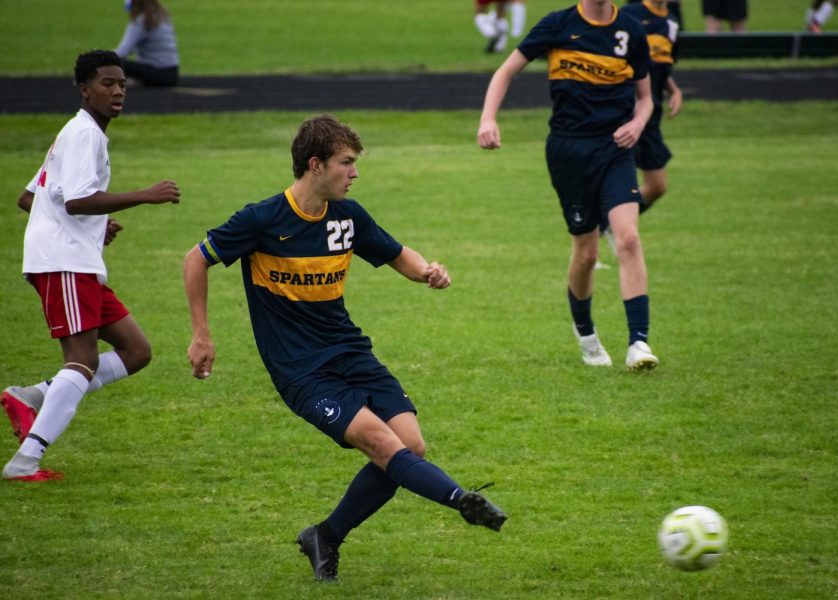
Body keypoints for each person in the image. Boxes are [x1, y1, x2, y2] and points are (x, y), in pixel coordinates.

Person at [183, 114, 507, 581]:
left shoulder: (347, 217)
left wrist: (427, 272)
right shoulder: (262, 220)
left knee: (410, 445)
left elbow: (396, 253)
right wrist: (201, 334)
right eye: (346, 163)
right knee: (382, 443)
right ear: (316, 165)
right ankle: (462, 500)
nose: (354, 173)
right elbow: (196, 258)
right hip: (301, 371)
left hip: (351, 353)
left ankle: (325, 536)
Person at [1, 50, 181, 482]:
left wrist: (93, 229)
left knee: (136, 351)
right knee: (81, 361)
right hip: (64, 262)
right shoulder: (85, 135)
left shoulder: (77, 133)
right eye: (106, 83)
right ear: (85, 90)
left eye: (121, 83)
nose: (118, 91)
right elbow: (77, 200)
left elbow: (33, 198)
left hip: (75, 258)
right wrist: (145, 194)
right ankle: (25, 460)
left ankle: (32, 396)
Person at [477, 0, 660, 371]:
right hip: (569, 151)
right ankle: (587, 335)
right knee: (587, 252)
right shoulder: (558, 25)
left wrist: (638, 125)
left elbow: (645, 99)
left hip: (616, 148)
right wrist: (488, 119)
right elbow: (505, 71)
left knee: (628, 238)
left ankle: (638, 343)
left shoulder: (631, 30)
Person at [621, 0, 683, 212]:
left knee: (657, 185)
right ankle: (609, 224)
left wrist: (673, 89)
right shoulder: (630, 14)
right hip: (624, 109)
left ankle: (609, 223)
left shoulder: (671, 22)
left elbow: (658, 65)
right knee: (615, 178)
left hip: (651, 112)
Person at [115, 0, 179, 86]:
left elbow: (122, 52)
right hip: (171, 73)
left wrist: (99, 60)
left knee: (115, 63)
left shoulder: (141, 21)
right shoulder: (161, 15)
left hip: (157, 73)